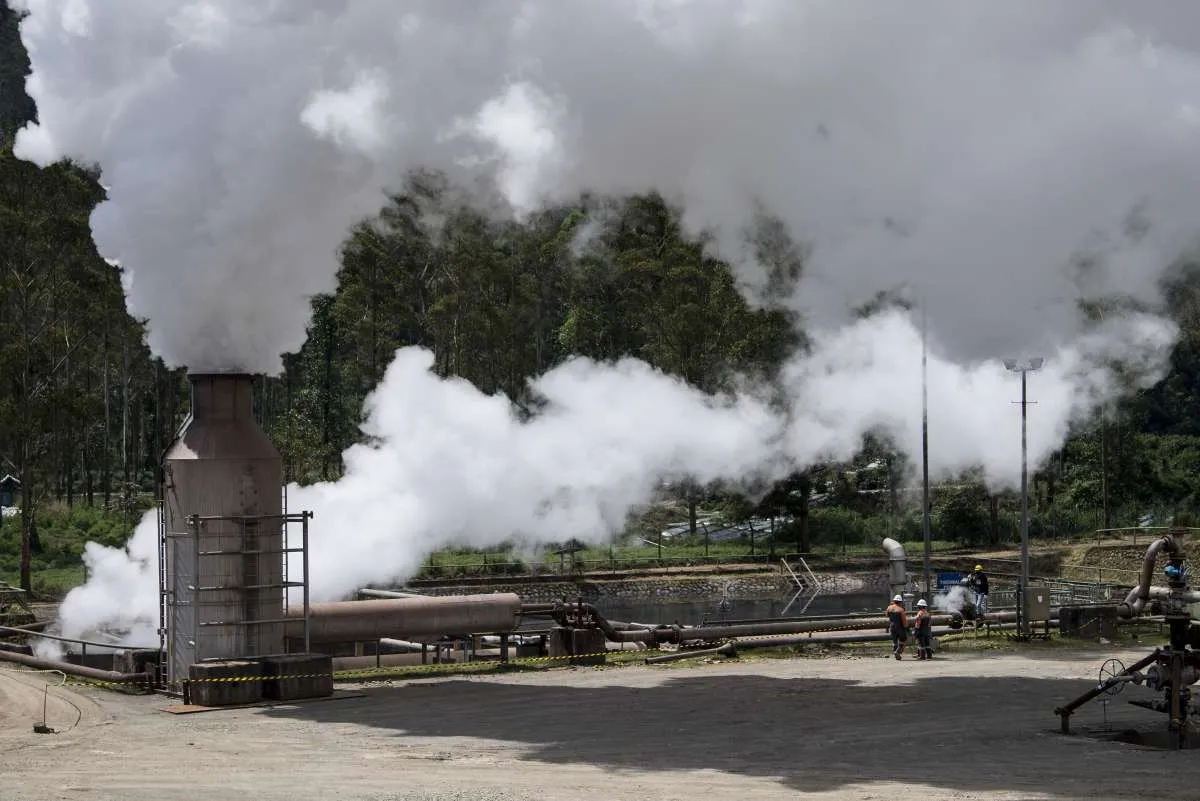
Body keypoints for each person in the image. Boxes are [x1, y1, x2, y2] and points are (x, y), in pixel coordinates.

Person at [886, 594, 908, 660]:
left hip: (892, 626)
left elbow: (887, 615)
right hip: (899, 627)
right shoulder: (901, 610)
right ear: (900, 602)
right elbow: (904, 621)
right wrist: (906, 628)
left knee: (895, 641)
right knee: (903, 639)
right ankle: (897, 652)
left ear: (894, 601)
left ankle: (895, 654)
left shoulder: (889, 608)